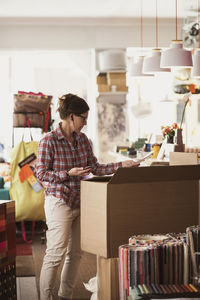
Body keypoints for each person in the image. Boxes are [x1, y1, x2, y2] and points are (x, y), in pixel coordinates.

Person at [36, 93, 140, 300]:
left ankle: (65, 296)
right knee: (55, 255)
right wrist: (66, 174)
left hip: (80, 202)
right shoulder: (49, 141)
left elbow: (96, 168)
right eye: (83, 118)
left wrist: (121, 165)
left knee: (75, 254)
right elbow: (40, 173)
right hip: (59, 202)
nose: (85, 123)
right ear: (71, 116)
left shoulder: (83, 140)